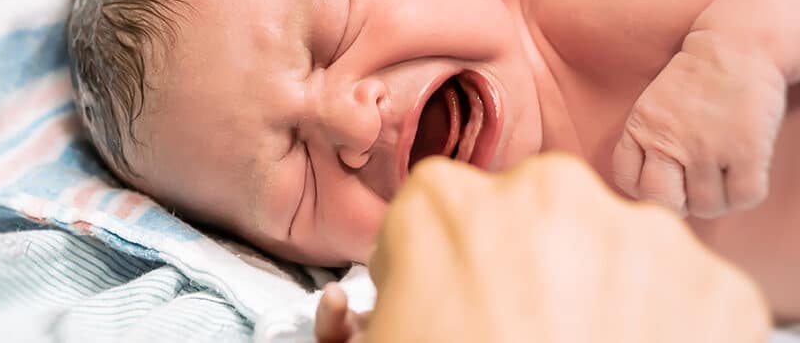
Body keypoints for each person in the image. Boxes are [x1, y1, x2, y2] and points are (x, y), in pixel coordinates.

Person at [65, 0, 800, 320]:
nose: (350, 124)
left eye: (333, 34)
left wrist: (737, 53)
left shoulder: (610, 7)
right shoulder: (457, 260)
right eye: (288, 171)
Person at [313, 154, 771, 342]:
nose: (354, 131)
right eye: (306, 175)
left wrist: (727, 56)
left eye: (334, 40)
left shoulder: (576, 5)